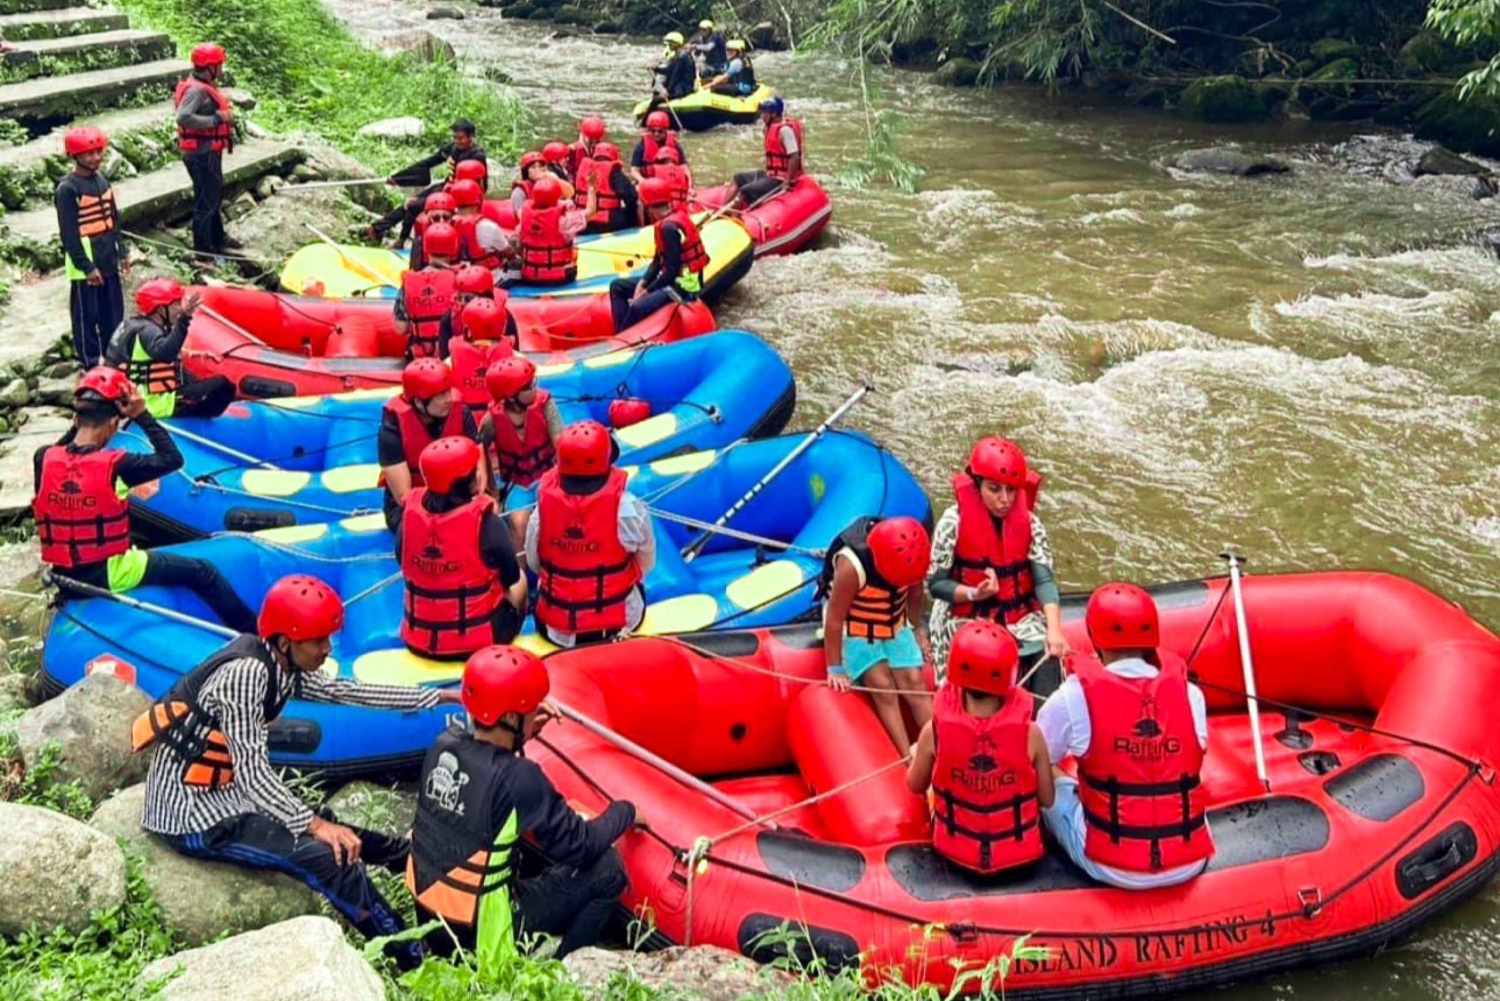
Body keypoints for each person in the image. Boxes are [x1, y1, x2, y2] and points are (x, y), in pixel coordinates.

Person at [135, 573, 461, 971]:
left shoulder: (282, 662)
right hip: (194, 816)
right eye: (318, 641)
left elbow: (345, 691)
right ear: (286, 641)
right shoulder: (246, 676)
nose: (327, 648)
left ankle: (406, 859)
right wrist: (316, 826)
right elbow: (253, 774)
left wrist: (435, 696)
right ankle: (414, 960)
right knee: (331, 857)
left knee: (336, 827)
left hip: (229, 795)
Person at [408, 645, 639, 971]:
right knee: (608, 869)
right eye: (529, 709)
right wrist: (626, 811)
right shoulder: (521, 778)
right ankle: (564, 972)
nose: (534, 712)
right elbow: (582, 846)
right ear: (511, 717)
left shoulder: (443, 744)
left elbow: (486, 776)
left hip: (436, 926)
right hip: (484, 936)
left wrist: (523, 735)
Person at [34, 368, 255, 633]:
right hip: (109, 574)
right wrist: (141, 414)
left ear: (75, 417)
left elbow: (63, 449)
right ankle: (256, 637)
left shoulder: (43, 458)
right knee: (203, 571)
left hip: (63, 575)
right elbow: (173, 458)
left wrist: (79, 423)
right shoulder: (118, 465)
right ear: (113, 423)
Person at [1037, 582, 1214, 889]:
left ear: (1095, 637)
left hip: (1110, 865)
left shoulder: (1072, 696)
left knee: (1047, 773)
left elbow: (1036, 757)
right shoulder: (1191, 694)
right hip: (1189, 861)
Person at [906, 620, 1053, 876]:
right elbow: (1048, 799)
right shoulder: (1032, 734)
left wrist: (916, 754)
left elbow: (915, 785)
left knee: (917, 753)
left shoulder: (934, 731)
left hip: (955, 856)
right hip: (1019, 860)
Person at [926, 436, 1069, 687]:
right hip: (965, 614)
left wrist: (1054, 630)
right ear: (977, 485)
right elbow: (937, 585)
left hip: (1019, 618)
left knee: (1049, 665)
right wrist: (973, 593)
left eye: (1011, 490)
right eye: (994, 489)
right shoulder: (952, 523)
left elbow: (1044, 580)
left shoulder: (1031, 523)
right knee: (978, 662)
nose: (1005, 499)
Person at [525, 421, 655, 647]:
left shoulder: (542, 510)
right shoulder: (628, 509)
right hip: (617, 626)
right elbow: (647, 562)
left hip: (556, 630)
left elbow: (533, 562)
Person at [398, 438, 527, 659]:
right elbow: (511, 575)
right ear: (471, 483)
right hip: (477, 642)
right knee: (521, 580)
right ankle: (511, 645)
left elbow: (401, 560)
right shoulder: (487, 522)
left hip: (418, 641)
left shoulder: (408, 519)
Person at [819, 515, 933, 752]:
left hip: (894, 620)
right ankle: (906, 757)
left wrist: (918, 630)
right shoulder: (852, 566)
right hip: (855, 623)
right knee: (882, 684)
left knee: (914, 681)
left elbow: (915, 597)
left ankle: (940, 751)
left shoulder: (913, 558)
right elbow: (835, 619)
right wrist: (835, 668)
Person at [105, 277, 235, 420]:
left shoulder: (130, 324)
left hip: (127, 398)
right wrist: (184, 319)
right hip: (154, 404)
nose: (180, 308)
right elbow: (166, 354)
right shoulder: (149, 331)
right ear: (161, 309)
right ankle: (197, 423)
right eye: (176, 304)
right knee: (223, 385)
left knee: (193, 381)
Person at [378, 359, 482, 531]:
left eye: (449, 391)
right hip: (412, 506)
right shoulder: (392, 429)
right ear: (419, 402)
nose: (449, 399)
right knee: (416, 529)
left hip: (457, 497)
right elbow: (404, 496)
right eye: (441, 395)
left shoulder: (461, 413)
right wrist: (443, 517)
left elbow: (479, 469)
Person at [55, 127, 127, 368]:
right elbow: (69, 234)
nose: (96, 158)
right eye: (89, 154)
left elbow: (113, 218)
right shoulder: (68, 189)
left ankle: (113, 355)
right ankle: (90, 361)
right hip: (85, 260)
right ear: (74, 156)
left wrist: (122, 251)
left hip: (107, 255)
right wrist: (86, 267)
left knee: (113, 311)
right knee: (86, 315)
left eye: (98, 152)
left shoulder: (102, 179)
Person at [607, 178, 707, 332]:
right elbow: (658, 260)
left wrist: (646, 292)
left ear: (648, 206)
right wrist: (643, 282)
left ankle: (624, 335)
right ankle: (621, 330)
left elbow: (671, 271)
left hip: (682, 286)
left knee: (637, 307)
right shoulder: (670, 219)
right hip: (673, 280)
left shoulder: (669, 229)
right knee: (617, 286)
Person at [368, 119, 487, 247]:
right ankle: (377, 228)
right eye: (455, 138)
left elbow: (482, 183)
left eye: (461, 138)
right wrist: (398, 178)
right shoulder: (453, 148)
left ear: (471, 137)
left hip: (461, 194)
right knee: (410, 201)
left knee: (413, 205)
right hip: (446, 186)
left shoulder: (477, 155)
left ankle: (400, 241)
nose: (457, 141)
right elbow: (430, 162)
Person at [174, 43, 238, 263]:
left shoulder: (202, 85)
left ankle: (218, 237)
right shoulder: (197, 90)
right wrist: (216, 119)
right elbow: (183, 117)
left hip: (207, 150)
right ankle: (203, 252)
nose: (222, 68)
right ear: (210, 67)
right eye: (220, 65)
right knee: (207, 200)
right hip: (201, 153)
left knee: (213, 195)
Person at [480, 356, 561, 494]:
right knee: (517, 509)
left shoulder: (546, 405)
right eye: (528, 387)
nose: (534, 388)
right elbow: (480, 451)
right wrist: (491, 487)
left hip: (549, 476)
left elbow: (559, 440)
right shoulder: (491, 420)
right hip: (515, 485)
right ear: (511, 397)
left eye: (533, 382)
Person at [394, 223, 460, 359]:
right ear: (454, 248)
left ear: (426, 249)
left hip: (419, 357)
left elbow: (400, 328)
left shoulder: (409, 282)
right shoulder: (461, 280)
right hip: (450, 357)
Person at [512, 177, 588, 288]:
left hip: (530, 277)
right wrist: (592, 188)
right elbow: (591, 211)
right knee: (574, 251)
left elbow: (519, 244)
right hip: (560, 278)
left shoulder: (524, 220)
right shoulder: (563, 221)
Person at [728, 96, 802, 208]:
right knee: (738, 178)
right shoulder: (769, 128)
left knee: (745, 190)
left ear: (773, 114)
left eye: (764, 113)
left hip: (780, 179)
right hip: (770, 175)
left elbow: (795, 157)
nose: (761, 116)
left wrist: (787, 181)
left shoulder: (785, 131)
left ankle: (729, 215)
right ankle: (721, 209)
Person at [575, 143, 639, 234]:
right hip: (606, 221)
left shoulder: (583, 168)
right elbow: (631, 196)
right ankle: (635, 231)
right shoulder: (614, 171)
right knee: (632, 208)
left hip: (582, 220)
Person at [451, 179, 512, 273]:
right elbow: (508, 252)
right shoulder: (489, 227)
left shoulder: (447, 224)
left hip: (457, 275)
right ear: (478, 200)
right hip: (486, 275)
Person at [629, 112, 688, 186]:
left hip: (669, 181)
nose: (656, 134)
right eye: (653, 131)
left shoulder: (675, 145)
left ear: (666, 130)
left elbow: (684, 168)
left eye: (660, 131)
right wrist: (643, 181)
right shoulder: (641, 146)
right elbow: (634, 170)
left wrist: (689, 186)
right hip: (648, 182)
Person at [406, 191, 457, 272]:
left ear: (453, 217)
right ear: (428, 218)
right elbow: (414, 269)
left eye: (446, 217)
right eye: (436, 218)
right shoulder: (420, 240)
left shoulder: (460, 233)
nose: (441, 221)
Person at [569, 115, 607, 183]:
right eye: (591, 141)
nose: (594, 145)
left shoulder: (605, 150)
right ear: (583, 136)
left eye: (597, 141)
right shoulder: (573, 149)